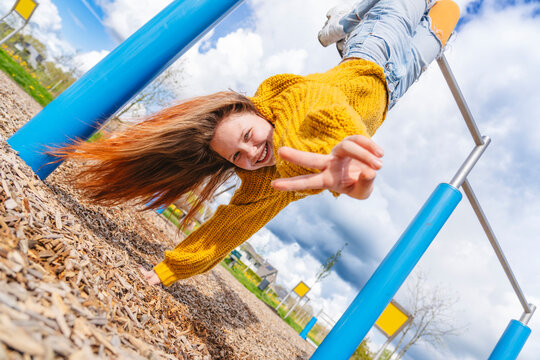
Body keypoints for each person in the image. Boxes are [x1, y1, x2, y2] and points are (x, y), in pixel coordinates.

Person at [56, 0, 459, 287]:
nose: (252, 152)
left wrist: (343, 142)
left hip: (374, 51)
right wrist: (168, 270)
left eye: (248, 136)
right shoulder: (262, 187)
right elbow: (225, 231)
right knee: (449, 12)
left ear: (258, 112)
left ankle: (346, 21)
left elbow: (329, 108)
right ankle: (347, 21)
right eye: (237, 155)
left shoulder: (292, 100)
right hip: (396, 84)